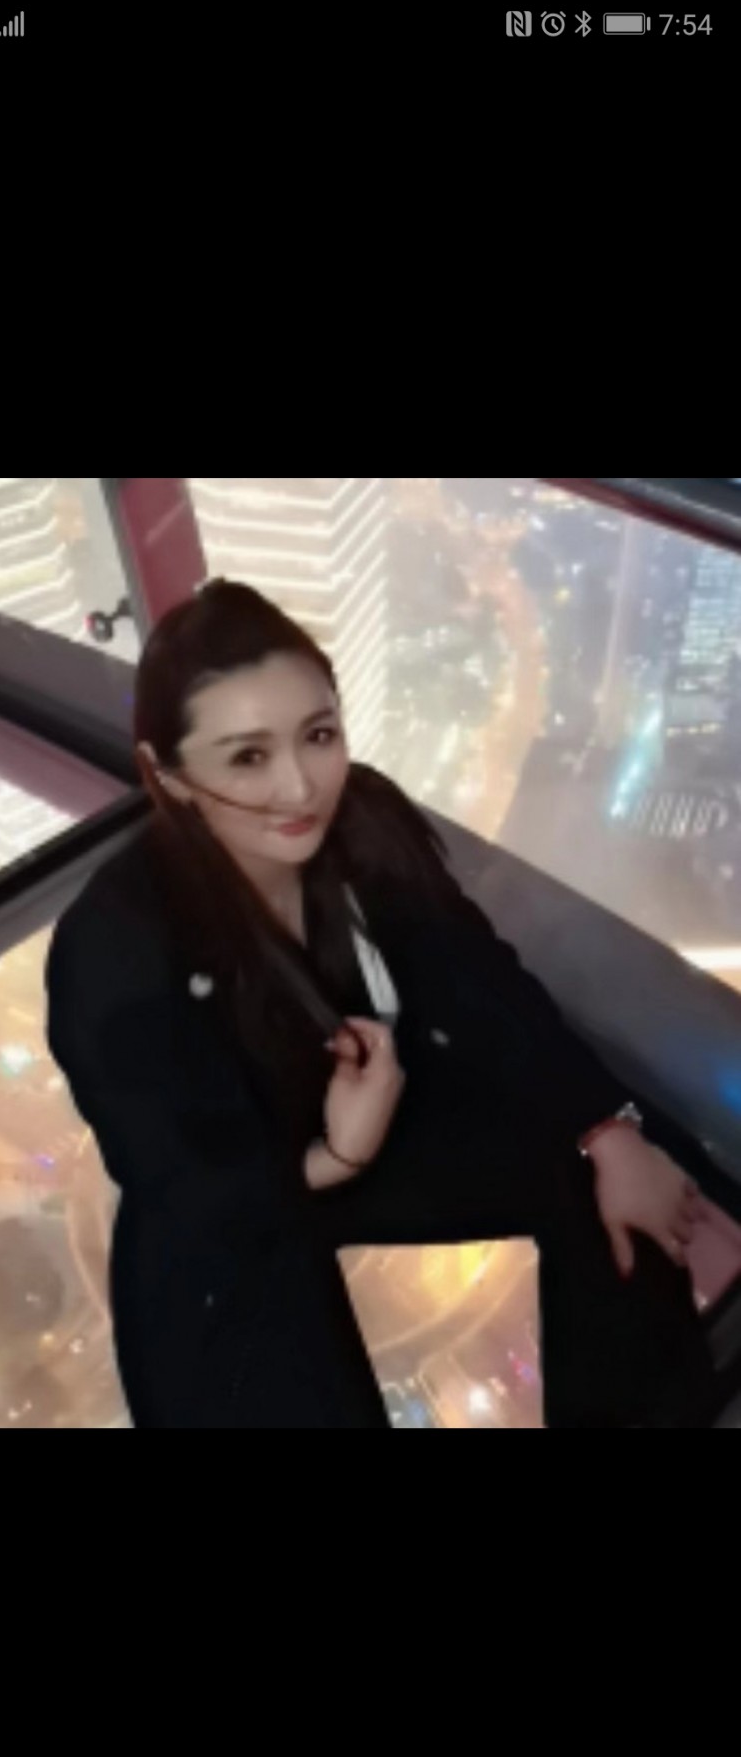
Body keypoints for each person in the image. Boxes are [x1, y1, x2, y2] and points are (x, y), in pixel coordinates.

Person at [44, 579, 721, 1429]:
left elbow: (479, 977)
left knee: (612, 1177)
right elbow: (181, 1181)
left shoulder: (361, 820)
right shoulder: (114, 945)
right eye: (247, 757)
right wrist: (335, 1155)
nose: (300, 787)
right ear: (168, 775)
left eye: (318, 735)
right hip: (239, 1196)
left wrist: (607, 1131)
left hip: (379, 1118)